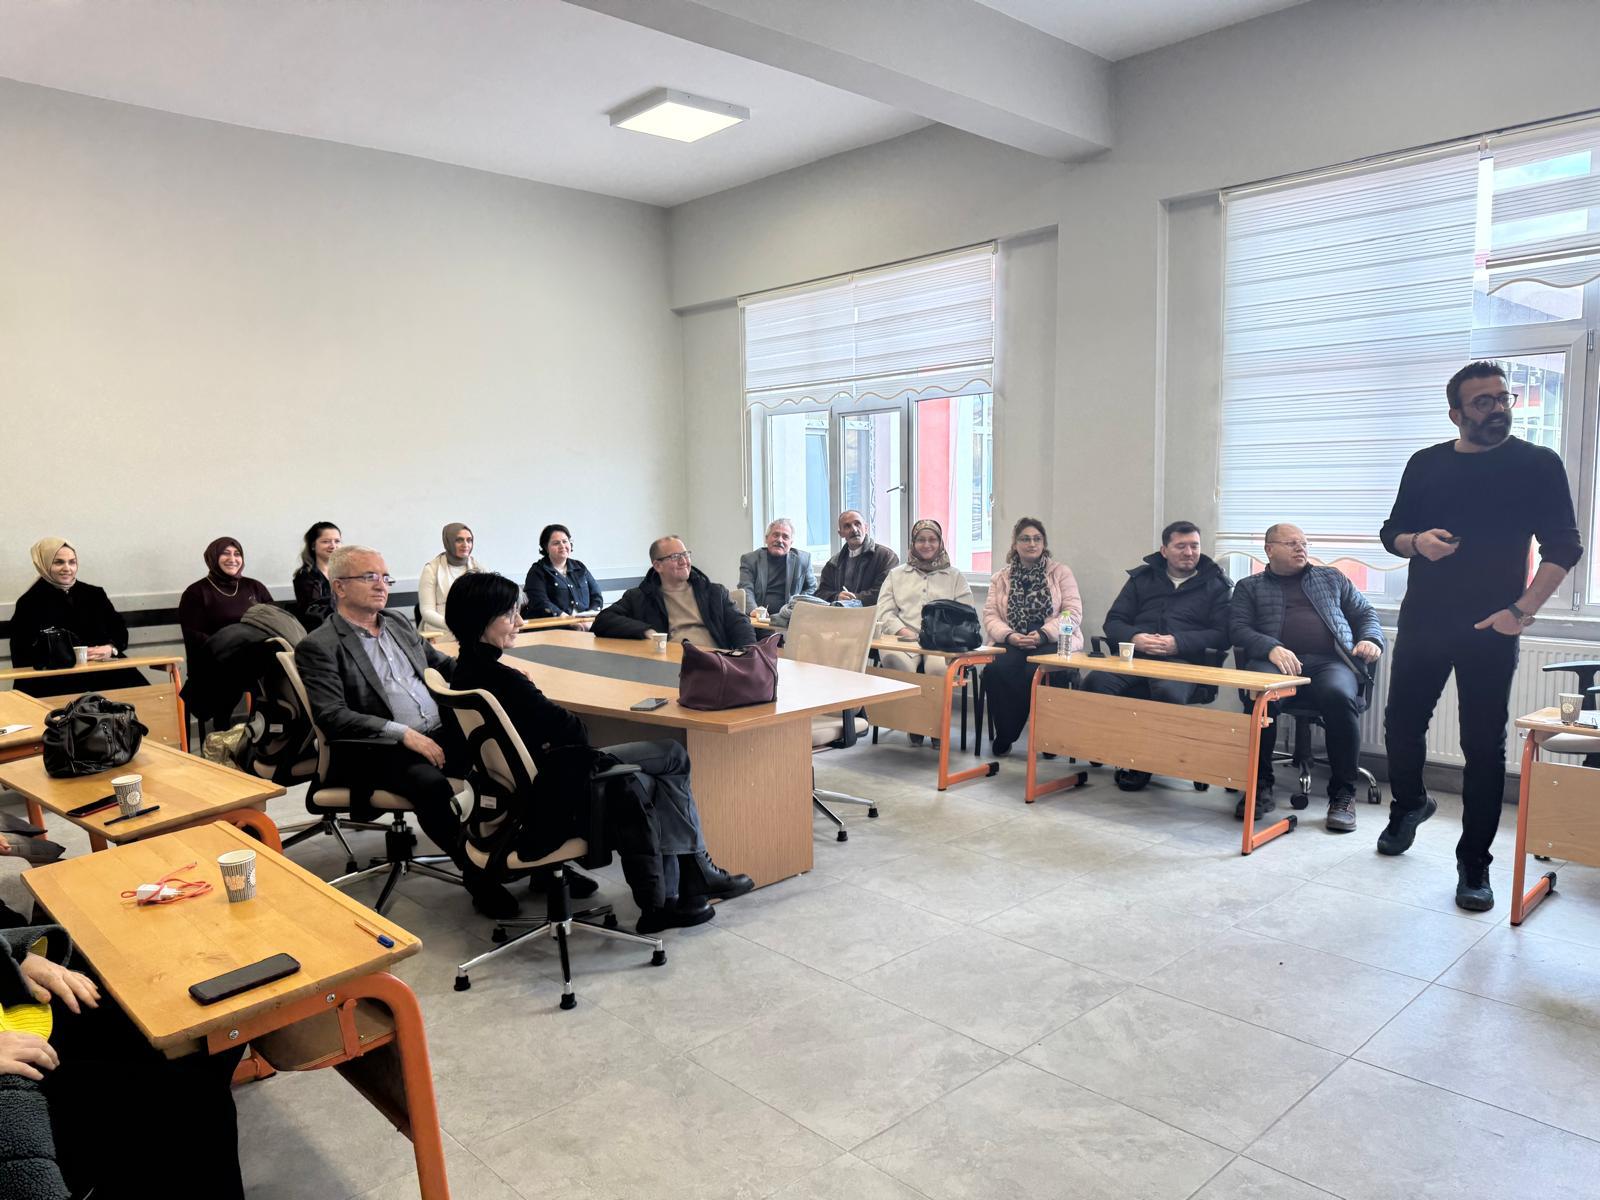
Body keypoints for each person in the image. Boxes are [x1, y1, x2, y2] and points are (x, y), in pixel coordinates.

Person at [1378, 361, 1583, 910]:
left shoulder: (1537, 464)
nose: (1498, 409)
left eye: (1502, 398)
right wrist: (1416, 543)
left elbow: (1564, 546)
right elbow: (1390, 532)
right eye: (1483, 401)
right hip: (1423, 619)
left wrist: (1522, 611)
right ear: (1456, 414)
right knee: (1401, 727)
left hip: (1492, 627)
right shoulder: (1425, 463)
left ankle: (1474, 863)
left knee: (1482, 747)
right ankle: (1409, 805)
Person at [445, 573, 753, 934]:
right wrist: (529, 687)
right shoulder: (505, 680)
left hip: (519, 788)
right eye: (510, 615)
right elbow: (576, 732)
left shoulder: (464, 672)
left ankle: (688, 880)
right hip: (555, 787)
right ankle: (691, 875)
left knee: (658, 768)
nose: (520, 623)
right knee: (672, 755)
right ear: (481, 620)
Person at [294, 545, 514, 918]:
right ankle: (479, 878)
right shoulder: (319, 645)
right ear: (339, 587)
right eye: (369, 577)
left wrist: (499, 676)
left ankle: (527, 860)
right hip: (377, 748)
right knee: (431, 786)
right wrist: (403, 733)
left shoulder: (395, 622)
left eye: (385, 577)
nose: (382, 585)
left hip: (438, 730)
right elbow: (331, 715)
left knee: (504, 762)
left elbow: (442, 665)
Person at [0, 902, 244, 1199]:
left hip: (17, 1003)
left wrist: (21, 953)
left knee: (176, 1010)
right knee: (190, 1098)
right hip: (16, 1068)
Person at [1231, 524, 1384, 831]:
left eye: (1303, 543)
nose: (1300, 548)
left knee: (1339, 697)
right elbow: (1237, 628)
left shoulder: (1331, 578)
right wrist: (1271, 647)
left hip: (1330, 662)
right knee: (1262, 698)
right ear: (1269, 549)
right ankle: (1260, 785)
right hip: (1276, 663)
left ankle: (1343, 795)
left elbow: (1365, 613)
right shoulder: (1249, 586)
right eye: (1291, 543)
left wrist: (1371, 639)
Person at [1081, 521, 1233, 783]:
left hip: (1182, 662)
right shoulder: (1142, 579)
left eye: (1194, 546)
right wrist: (1135, 638)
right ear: (1164, 550)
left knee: (1166, 692)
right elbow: (1114, 622)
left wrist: (1178, 643)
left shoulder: (1216, 585)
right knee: (1095, 683)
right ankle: (1109, 747)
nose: (1189, 552)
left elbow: (1223, 635)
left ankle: (1144, 763)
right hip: (1135, 658)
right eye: (1181, 546)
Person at [980, 518, 1083, 756]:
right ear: (1015, 544)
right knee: (997, 669)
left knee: (1038, 671)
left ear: (1044, 543)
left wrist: (1044, 634)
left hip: (1052, 639)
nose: (1031, 544)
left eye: (1037, 539)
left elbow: (1072, 612)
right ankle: (1006, 733)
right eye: (1025, 539)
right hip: (1013, 639)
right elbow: (990, 615)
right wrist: (1010, 636)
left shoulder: (1060, 573)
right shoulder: (1000, 578)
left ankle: (1049, 738)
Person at [8, 539, 147, 696]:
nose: (67, 568)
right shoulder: (30, 603)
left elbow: (120, 631)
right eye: (59, 562)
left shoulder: (94, 594)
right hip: (56, 680)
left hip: (104, 672)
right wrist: (63, 656)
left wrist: (111, 648)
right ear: (43, 564)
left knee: (146, 699)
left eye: (72, 562)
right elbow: (22, 655)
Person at [594, 537, 755, 649]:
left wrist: (747, 657)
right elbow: (603, 620)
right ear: (658, 566)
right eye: (675, 556)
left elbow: (741, 625)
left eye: (685, 554)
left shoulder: (714, 593)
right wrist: (646, 631)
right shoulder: (640, 597)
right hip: (669, 665)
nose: (684, 561)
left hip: (716, 663)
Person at [875, 518, 974, 681]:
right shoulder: (896, 575)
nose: (926, 545)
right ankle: (907, 700)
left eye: (932, 539)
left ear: (940, 543)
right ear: (913, 543)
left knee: (938, 669)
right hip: (901, 639)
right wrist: (903, 631)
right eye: (921, 540)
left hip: (942, 641)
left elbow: (965, 614)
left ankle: (934, 700)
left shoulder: (955, 577)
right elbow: (884, 612)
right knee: (897, 664)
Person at [176, 536, 275, 666]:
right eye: (225, 553)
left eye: (237, 554)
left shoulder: (255, 587)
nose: (232, 559)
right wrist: (236, 651)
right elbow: (195, 638)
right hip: (216, 666)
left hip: (259, 661)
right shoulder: (196, 592)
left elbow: (275, 623)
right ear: (213, 557)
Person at [522, 524, 603, 627]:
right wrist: (568, 621)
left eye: (565, 541)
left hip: (586, 623)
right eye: (556, 543)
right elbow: (540, 602)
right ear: (546, 547)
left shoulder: (579, 567)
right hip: (554, 625)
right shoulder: (537, 571)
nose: (562, 546)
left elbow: (596, 596)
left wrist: (589, 618)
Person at [815, 510, 899, 607]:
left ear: (866, 528)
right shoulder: (833, 563)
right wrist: (837, 597)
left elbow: (884, 593)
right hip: (840, 614)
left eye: (857, 524)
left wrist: (851, 601)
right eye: (847, 526)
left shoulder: (886, 556)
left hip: (874, 614)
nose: (854, 530)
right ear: (841, 533)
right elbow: (820, 593)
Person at [737, 518, 816, 617]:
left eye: (785, 537)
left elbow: (811, 588)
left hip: (789, 618)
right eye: (776, 535)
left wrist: (794, 607)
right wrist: (754, 610)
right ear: (766, 539)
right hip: (758, 618)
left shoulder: (803, 560)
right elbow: (746, 589)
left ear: (791, 543)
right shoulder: (750, 560)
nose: (779, 540)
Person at [418, 522, 483, 633]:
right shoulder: (431, 569)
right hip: (441, 630)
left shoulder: (478, 568)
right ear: (448, 542)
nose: (465, 545)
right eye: (459, 540)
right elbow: (427, 611)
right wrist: (455, 625)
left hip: (474, 630)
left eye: (469, 540)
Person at [292, 521, 341, 630]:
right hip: (320, 630)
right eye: (326, 541)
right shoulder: (305, 576)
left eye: (337, 541)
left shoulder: (346, 572)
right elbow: (315, 613)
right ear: (313, 545)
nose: (333, 546)